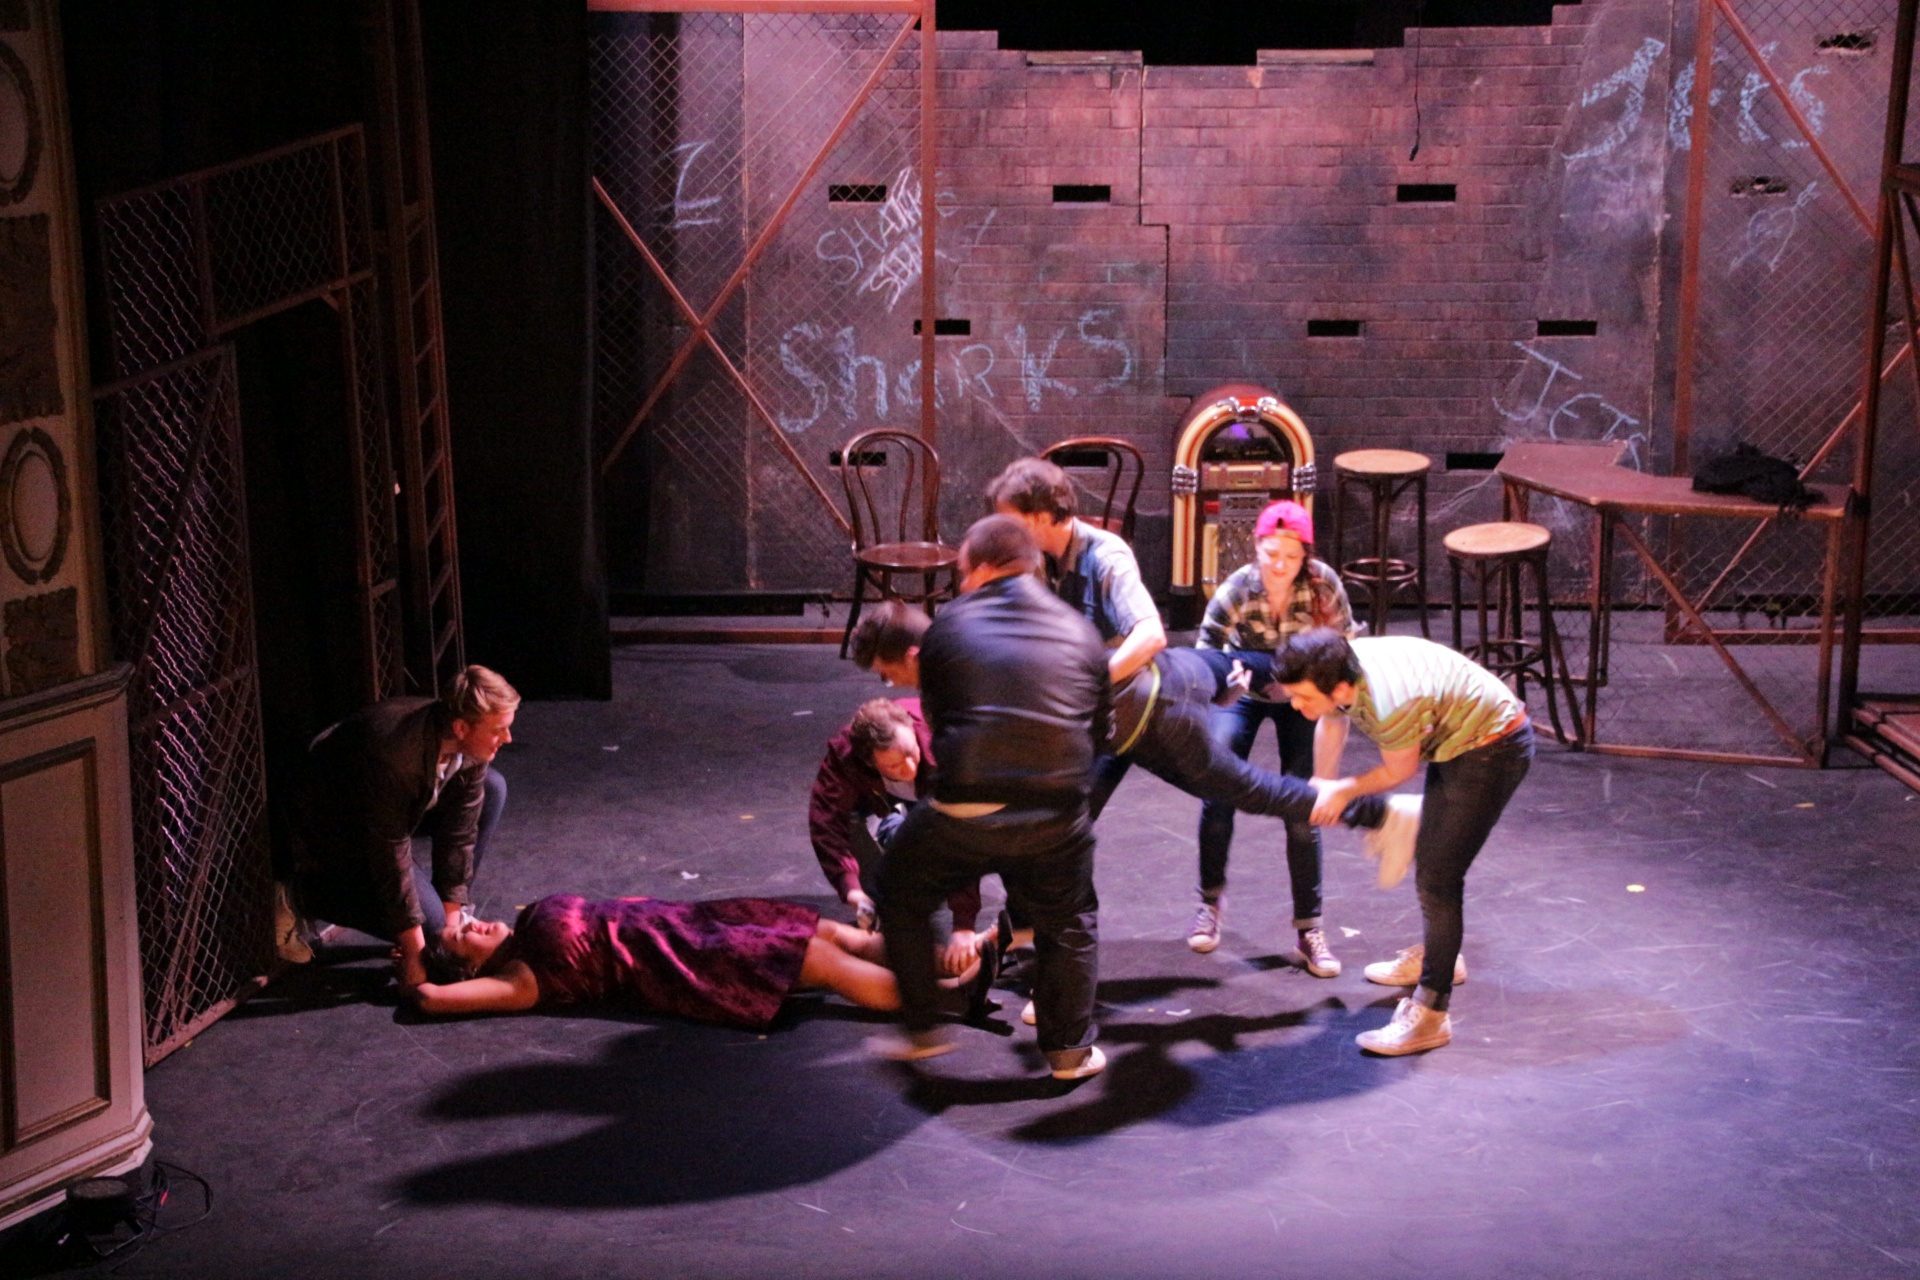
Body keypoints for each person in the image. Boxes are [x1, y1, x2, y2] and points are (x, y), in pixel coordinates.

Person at [872, 515, 1112, 1080]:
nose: (961, 585)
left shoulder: (947, 626)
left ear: (980, 568)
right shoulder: (1081, 631)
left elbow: (939, 724)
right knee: (1071, 916)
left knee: (898, 891)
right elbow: (1101, 731)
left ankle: (922, 1029)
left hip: (967, 809)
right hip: (1056, 812)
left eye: (962, 574)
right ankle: (1069, 1053)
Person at [1275, 629, 1534, 1057]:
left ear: (1339, 688)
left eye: (1302, 697)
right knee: (1434, 860)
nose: (1295, 705)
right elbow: (1333, 718)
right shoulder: (1341, 671)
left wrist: (1343, 790)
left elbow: (1399, 770)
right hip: (1458, 735)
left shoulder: (1389, 704)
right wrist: (1323, 781)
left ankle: (1432, 1012)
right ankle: (1441, 956)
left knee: (1438, 880)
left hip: (1493, 747)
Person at [409, 894, 1002, 1025]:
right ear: (472, 971)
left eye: (463, 921)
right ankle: (950, 998)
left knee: (832, 931)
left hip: (684, 919)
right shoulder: (521, 979)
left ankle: (956, 959)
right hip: (678, 957)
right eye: (463, 938)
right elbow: (429, 997)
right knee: (818, 959)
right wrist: (408, 950)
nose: (472, 923)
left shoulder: (526, 924)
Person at [1192, 499, 1356, 968]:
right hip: (1248, 688)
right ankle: (1209, 902)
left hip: (1304, 694)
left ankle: (1309, 928)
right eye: (1271, 554)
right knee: (1218, 787)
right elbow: (1205, 650)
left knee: (1302, 804)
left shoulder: (1323, 584)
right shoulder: (1238, 588)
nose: (1280, 565)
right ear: (1256, 548)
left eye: (1291, 556)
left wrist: (1319, 693)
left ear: (1305, 556)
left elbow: (1346, 646)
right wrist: (1227, 680)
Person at [291, 665, 515, 989]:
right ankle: (307, 895)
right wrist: (415, 951)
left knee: (492, 788)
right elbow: (389, 854)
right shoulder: (395, 756)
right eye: (498, 730)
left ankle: (435, 922)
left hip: (392, 816)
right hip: (331, 833)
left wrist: (450, 928)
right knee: (429, 933)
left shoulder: (467, 744)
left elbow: (460, 832)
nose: (507, 738)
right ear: (461, 727)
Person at [807, 696, 984, 976]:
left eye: (911, 753)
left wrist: (964, 924)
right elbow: (827, 824)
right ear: (869, 762)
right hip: (875, 798)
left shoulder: (941, 742)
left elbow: (962, 834)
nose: (909, 768)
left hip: (934, 794)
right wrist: (851, 888)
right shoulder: (847, 757)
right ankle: (878, 893)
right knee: (878, 882)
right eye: (894, 766)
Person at [988, 457, 1166, 685]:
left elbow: (1152, 635)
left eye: (1012, 522)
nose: (1008, 531)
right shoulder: (1037, 556)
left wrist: (1093, 686)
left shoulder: (1106, 556)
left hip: (1110, 682)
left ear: (1041, 518)